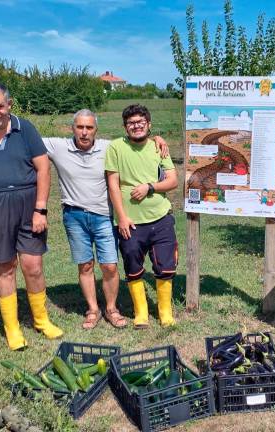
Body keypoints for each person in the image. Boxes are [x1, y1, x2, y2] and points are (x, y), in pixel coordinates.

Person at [43, 109, 170, 330]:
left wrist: (157, 138)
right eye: (79, 127)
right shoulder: (58, 147)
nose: (84, 132)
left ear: (96, 130)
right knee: (85, 265)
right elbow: (27, 137)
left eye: (89, 128)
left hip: (103, 215)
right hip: (73, 215)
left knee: (110, 266)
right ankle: (93, 309)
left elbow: (137, 137)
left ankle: (111, 308)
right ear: (72, 128)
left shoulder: (108, 147)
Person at [0, 81, 63, 350]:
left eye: (0, 106)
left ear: (9, 105)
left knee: (33, 266)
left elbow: (43, 169)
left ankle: (41, 320)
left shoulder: (25, 128)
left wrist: (40, 209)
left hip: (28, 203)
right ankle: (13, 328)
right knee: (5, 267)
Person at [105, 104, 179, 329]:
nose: (136, 126)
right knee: (133, 266)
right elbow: (113, 185)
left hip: (160, 217)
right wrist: (122, 217)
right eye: (131, 123)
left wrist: (150, 187)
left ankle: (165, 312)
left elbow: (173, 181)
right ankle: (141, 313)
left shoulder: (159, 148)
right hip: (131, 222)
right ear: (125, 127)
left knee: (166, 266)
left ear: (149, 124)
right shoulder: (115, 147)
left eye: (140, 122)